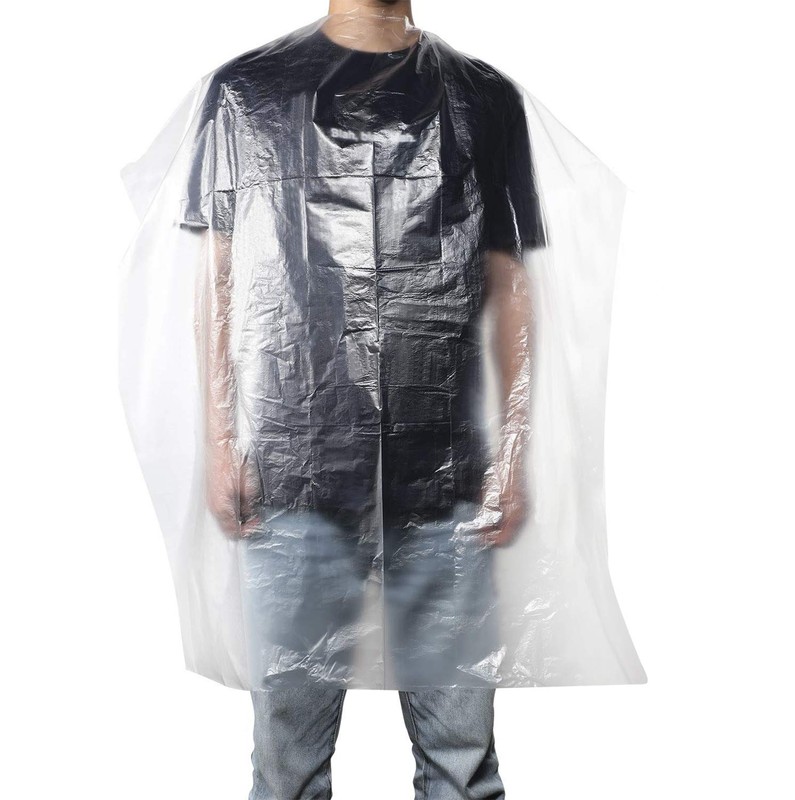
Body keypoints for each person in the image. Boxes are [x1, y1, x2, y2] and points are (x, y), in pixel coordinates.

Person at [179, 1, 546, 797]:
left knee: (461, 762)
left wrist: (513, 453)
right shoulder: (248, 90)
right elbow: (220, 276)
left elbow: (508, 280)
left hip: (445, 474)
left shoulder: (483, 95)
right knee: (288, 766)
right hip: (294, 473)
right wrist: (218, 442)